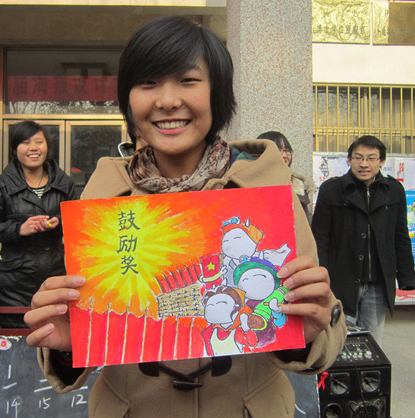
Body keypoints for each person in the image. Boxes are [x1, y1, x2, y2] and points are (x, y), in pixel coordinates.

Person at [24, 16, 346, 417]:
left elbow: (316, 319)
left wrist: (308, 331)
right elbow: (85, 321)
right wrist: (69, 343)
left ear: (218, 93)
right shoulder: (102, 200)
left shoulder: (265, 191)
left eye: (188, 81)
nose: (167, 100)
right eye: (148, 83)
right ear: (128, 101)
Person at [312, 135, 415, 345]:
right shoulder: (332, 190)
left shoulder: (394, 191)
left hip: (377, 283)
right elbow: (320, 239)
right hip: (341, 281)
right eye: (358, 157)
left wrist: (406, 276)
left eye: (371, 158)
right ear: (349, 160)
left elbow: (400, 235)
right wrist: (321, 277)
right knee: (339, 341)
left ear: (381, 161)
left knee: (371, 343)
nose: (364, 164)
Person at [0, 120, 77, 327]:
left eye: (39, 142)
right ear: (15, 149)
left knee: (54, 335)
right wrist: (19, 229)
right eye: (25, 142)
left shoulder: (64, 183)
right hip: (13, 284)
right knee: (16, 338)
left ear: (47, 146)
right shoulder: (0, 185)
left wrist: (59, 222)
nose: (33, 148)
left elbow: (79, 222)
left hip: (56, 274)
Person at [257, 131, 312, 221]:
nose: (284, 155)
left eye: (287, 151)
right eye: (279, 151)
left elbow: (304, 222)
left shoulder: (298, 186)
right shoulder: (250, 183)